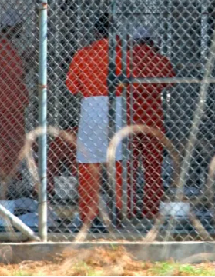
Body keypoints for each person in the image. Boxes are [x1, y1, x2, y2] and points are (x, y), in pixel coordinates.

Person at [66, 14, 125, 228]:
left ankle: (87, 215)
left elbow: (72, 86)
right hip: (116, 105)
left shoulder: (83, 54)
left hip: (91, 107)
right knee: (116, 160)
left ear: (95, 32)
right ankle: (117, 213)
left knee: (88, 161)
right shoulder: (122, 54)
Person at [126, 27, 175, 218]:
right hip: (153, 113)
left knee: (129, 163)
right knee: (153, 164)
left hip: (130, 112)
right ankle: (151, 209)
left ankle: (127, 208)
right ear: (152, 42)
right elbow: (169, 82)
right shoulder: (160, 60)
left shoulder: (126, 58)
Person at [0, 10, 36, 198]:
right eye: (18, 27)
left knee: (11, 142)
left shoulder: (1, 46)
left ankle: (11, 178)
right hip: (9, 104)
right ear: (11, 27)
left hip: (7, 103)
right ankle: (11, 180)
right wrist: (31, 57)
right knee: (12, 143)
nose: (20, 31)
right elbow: (19, 70)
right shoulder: (1, 47)